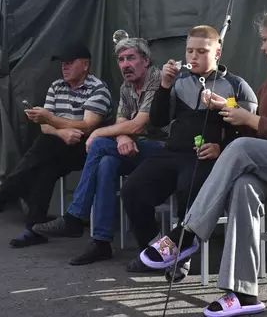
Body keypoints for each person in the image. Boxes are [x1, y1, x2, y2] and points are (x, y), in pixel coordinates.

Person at [142, 11, 267, 316]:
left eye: (266, 39)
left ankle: (186, 234)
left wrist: (248, 118)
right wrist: (226, 107)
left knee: (240, 149)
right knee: (244, 185)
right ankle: (243, 294)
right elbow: (259, 124)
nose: (263, 47)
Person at [121, 26, 258, 276]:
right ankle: (158, 249)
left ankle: (180, 255)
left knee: (189, 187)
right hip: (172, 152)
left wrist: (221, 148)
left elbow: (250, 132)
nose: (193, 57)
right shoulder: (179, 82)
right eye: (189, 51)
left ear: (217, 52)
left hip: (207, 157)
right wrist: (164, 85)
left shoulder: (236, 86)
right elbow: (159, 120)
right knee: (132, 190)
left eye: (201, 51)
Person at [32, 37, 166, 266]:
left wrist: (99, 134)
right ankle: (101, 242)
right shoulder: (126, 87)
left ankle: (75, 216)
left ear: (146, 60)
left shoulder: (157, 78)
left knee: (98, 144)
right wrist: (122, 136)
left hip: (163, 149)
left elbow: (139, 124)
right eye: (121, 60)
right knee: (106, 163)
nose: (125, 64)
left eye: (131, 58)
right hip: (135, 148)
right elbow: (123, 121)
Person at [0, 43, 113, 248]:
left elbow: (89, 126)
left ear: (85, 65)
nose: (65, 67)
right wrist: (61, 131)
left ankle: (2, 195)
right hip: (60, 144)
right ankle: (33, 229)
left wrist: (50, 119)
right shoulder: (56, 86)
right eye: (63, 63)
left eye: (70, 63)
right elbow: (46, 127)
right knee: (46, 165)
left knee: (46, 146)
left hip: (89, 148)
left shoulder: (98, 88)